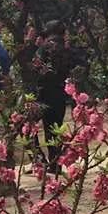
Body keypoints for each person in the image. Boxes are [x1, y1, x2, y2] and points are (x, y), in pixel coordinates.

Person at [35, 21, 85, 173]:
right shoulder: (67, 49)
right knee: (56, 127)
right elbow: (78, 65)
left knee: (46, 126)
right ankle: (55, 162)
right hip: (60, 91)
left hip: (44, 92)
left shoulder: (44, 48)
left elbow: (36, 67)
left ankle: (44, 160)